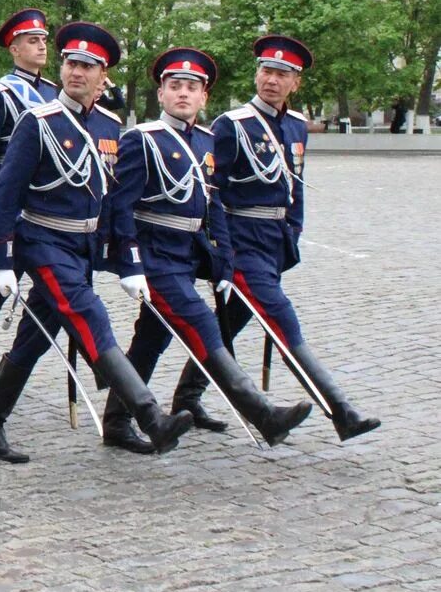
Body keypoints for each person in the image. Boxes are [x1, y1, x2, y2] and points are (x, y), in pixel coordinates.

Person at [0, 21, 192, 463]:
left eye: (88, 66)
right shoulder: (39, 123)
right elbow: (7, 193)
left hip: (83, 248)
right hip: (44, 242)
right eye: (71, 63)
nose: (76, 72)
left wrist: (127, 262)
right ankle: (150, 417)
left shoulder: (109, 126)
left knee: (35, 336)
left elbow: (112, 200)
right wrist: (1, 259)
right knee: (91, 314)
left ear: (103, 74)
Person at [168, 35, 381, 442]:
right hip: (243, 241)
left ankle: (187, 398)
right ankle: (341, 411)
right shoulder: (233, 125)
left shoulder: (297, 125)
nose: (271, 80)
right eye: (266, 71)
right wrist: (222, 251)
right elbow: (213, 190)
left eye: (282, 74)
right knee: (283, 321)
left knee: (228, 324)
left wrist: (293, 231)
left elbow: (295, 184)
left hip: (274, 241)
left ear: (295, 83)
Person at [103, 46, 312, 450]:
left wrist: (222, 260)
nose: (183, 94)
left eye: (191, 88)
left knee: (152, 337)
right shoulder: (141, 139)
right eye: (174, 86)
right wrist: (129, 263)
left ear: (204, 98)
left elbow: (214, 203)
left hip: (186, 255)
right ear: (161, 94)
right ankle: (262, 415)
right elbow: (120, 206)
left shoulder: (205, 140)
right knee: (201, 323)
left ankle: (116, 420)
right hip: (154, 256)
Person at [0, 8, 58, 360]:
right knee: (3, 280)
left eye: (43, 40)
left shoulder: (53, 92)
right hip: (12, 200)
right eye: (32, 41)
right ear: (14, 49)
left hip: (47, 202)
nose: (41, 47)